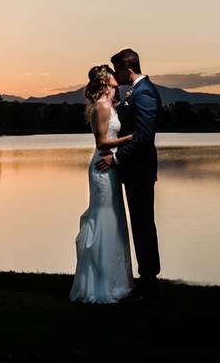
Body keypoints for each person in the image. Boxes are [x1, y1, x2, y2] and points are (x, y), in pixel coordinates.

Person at [94, 48, 163, 302]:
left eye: (119, 71)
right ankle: (146, 282)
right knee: (139, 225)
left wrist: (117, 157)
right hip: (134, 171)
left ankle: (149, 283)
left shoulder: (145, 94)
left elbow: (144, 138)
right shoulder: (136, 92)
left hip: (140, 171)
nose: (117, 76)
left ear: (128, 70)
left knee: (143, 225)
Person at [69, 64, 137, 303]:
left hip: (111, 167)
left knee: (115, 217)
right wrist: (132, 137)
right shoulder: (102, 107)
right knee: (105, 217)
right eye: (111, 73)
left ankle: (116, 280)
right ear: (105, 81)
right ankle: (101, 284)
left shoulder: (110, 105)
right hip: (102, 168)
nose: (115, 75)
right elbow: (101, 142)